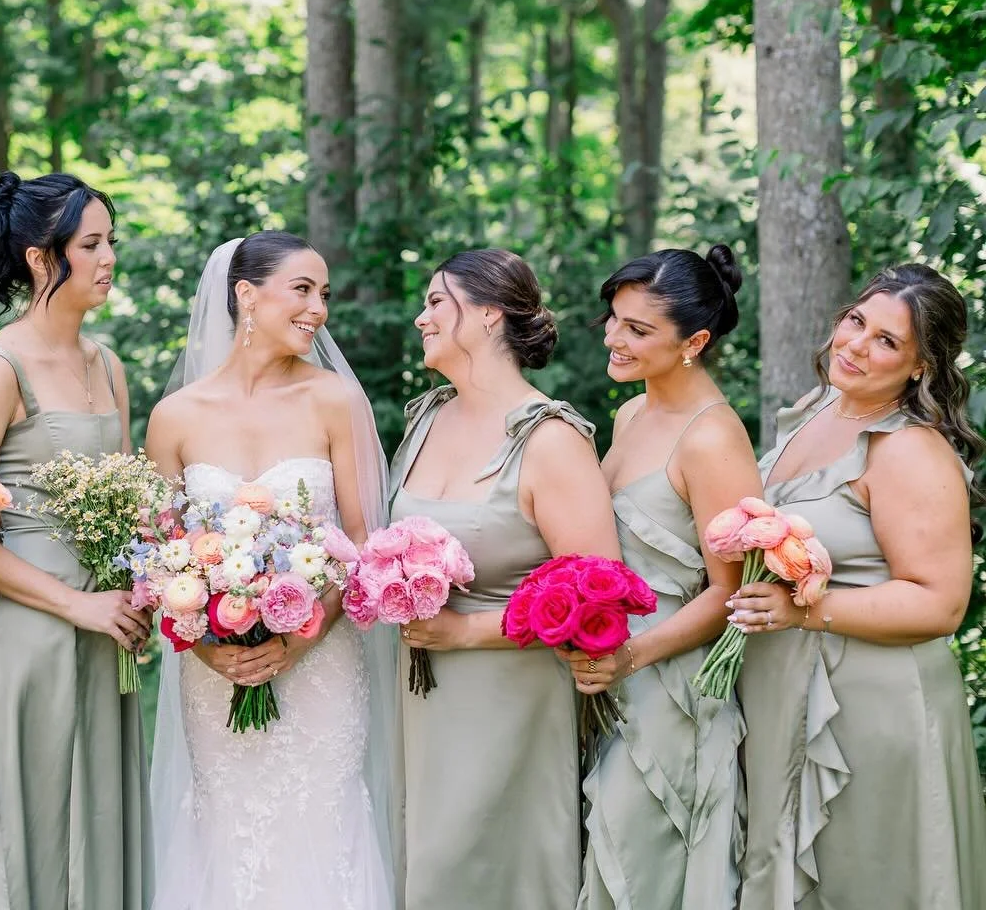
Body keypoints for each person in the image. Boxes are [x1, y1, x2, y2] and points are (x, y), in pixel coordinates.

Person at [145, 231, 396, 909]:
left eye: (325, 295)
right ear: (246, 296)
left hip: (321, 664)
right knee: (227, 831)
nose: (318, 309)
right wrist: (205, 645)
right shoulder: (175, 418)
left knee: (323, 826)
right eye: (303, 290)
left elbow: (360, 540)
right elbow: (157, 559)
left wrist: (301, 639)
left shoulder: (335, 400)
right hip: (214, 672)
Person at [730, 263, 986, 909]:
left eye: (886, 342)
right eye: (856, 321)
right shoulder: (813, 413)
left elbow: (940, 602)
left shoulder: (909, 451)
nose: (854, 344)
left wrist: (803, 612)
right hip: (784, 689)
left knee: (865, 881)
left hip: (869, 711)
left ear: (922, 365)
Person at [388, 249, 617, 910]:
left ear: (488, 315)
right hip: (418, 691)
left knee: (485, 866)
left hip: (509, 693)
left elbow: (595, 595)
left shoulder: (549, 439)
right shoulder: (426, 416)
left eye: (436, 302)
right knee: (425, 861)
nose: (421, 318)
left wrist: (464, 631)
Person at [0, 172, 152, 909]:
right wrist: (73, 605)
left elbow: (134, 504)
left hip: (107, 620)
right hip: (30, 623)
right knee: (27, 815)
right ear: (41, 259)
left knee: (99, 804)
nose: (108, 260)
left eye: (110, 243)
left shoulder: (108, 363)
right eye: (91, 245)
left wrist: (149, 587)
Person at [564, 245, 757, 909]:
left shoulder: (712, 439)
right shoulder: (632, 414)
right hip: (606, 675)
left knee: (640, 867)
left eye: (639, 330)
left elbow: (731, 592)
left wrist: (634, 655)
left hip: (670, 687)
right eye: (614, 319)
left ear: (694, 342)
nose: (615, 338)